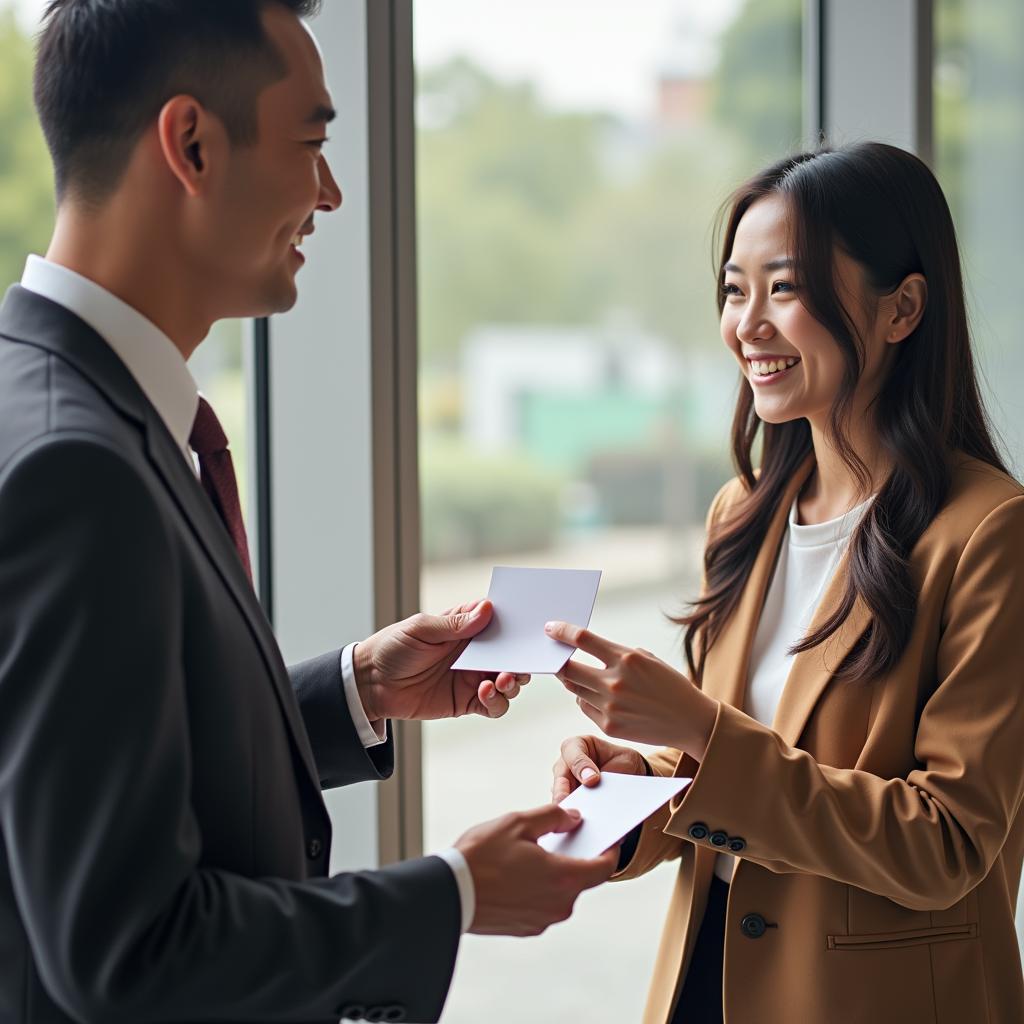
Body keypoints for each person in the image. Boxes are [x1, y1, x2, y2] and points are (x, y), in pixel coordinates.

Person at [0, 2, 617, 1022]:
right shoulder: (80, 467)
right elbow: (127, 953)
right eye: (312, 143)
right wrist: (452, 892)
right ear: (190, 144)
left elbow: (89, 756)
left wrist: (355, 688)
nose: (329, 193)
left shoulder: (53, 399)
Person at [548, 142, 1024, 1023]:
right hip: (705, 976)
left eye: (787, 287)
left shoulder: (989, 532)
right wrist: (632, 789)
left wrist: (694, 725)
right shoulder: (744, 512)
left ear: (903, 309)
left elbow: (950, 843)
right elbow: (733, 760)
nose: (748, 325)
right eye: (735, 289)